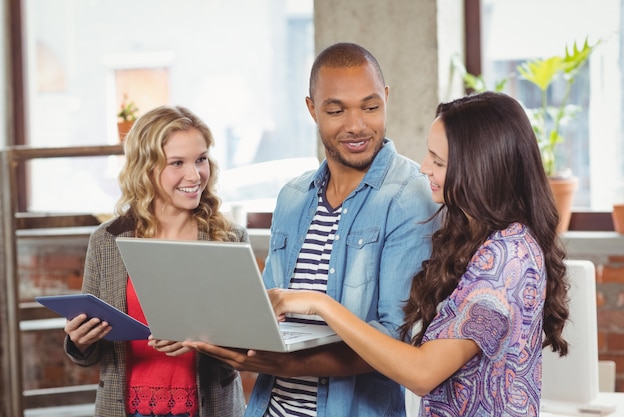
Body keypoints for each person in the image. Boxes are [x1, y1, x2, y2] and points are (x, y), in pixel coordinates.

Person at [268, 91, 571, 417]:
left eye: (438, 161)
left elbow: (423, 373)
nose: (424, 167)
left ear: (481, 168)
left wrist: (320, 304)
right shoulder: (486, 242)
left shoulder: (505, 258)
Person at [183, 42, 439, 416]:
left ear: (386, 98)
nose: (357, 126)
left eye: (371, 107)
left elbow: (395, 342)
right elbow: (271, 311)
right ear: (311, 109)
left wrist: (279, 364)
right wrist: (215, 330)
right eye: (336, 110)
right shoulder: (292, 197)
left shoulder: (408, 196)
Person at [63, 105, 247, 417]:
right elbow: (90, 353)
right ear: (146, 168)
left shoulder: (228, 239)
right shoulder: (107, 240)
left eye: (201, 159)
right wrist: (79, 341)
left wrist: (203, 341)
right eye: (177, 163)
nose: (195, 175)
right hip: (125, 409)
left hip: (210, 408)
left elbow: (249, 344)